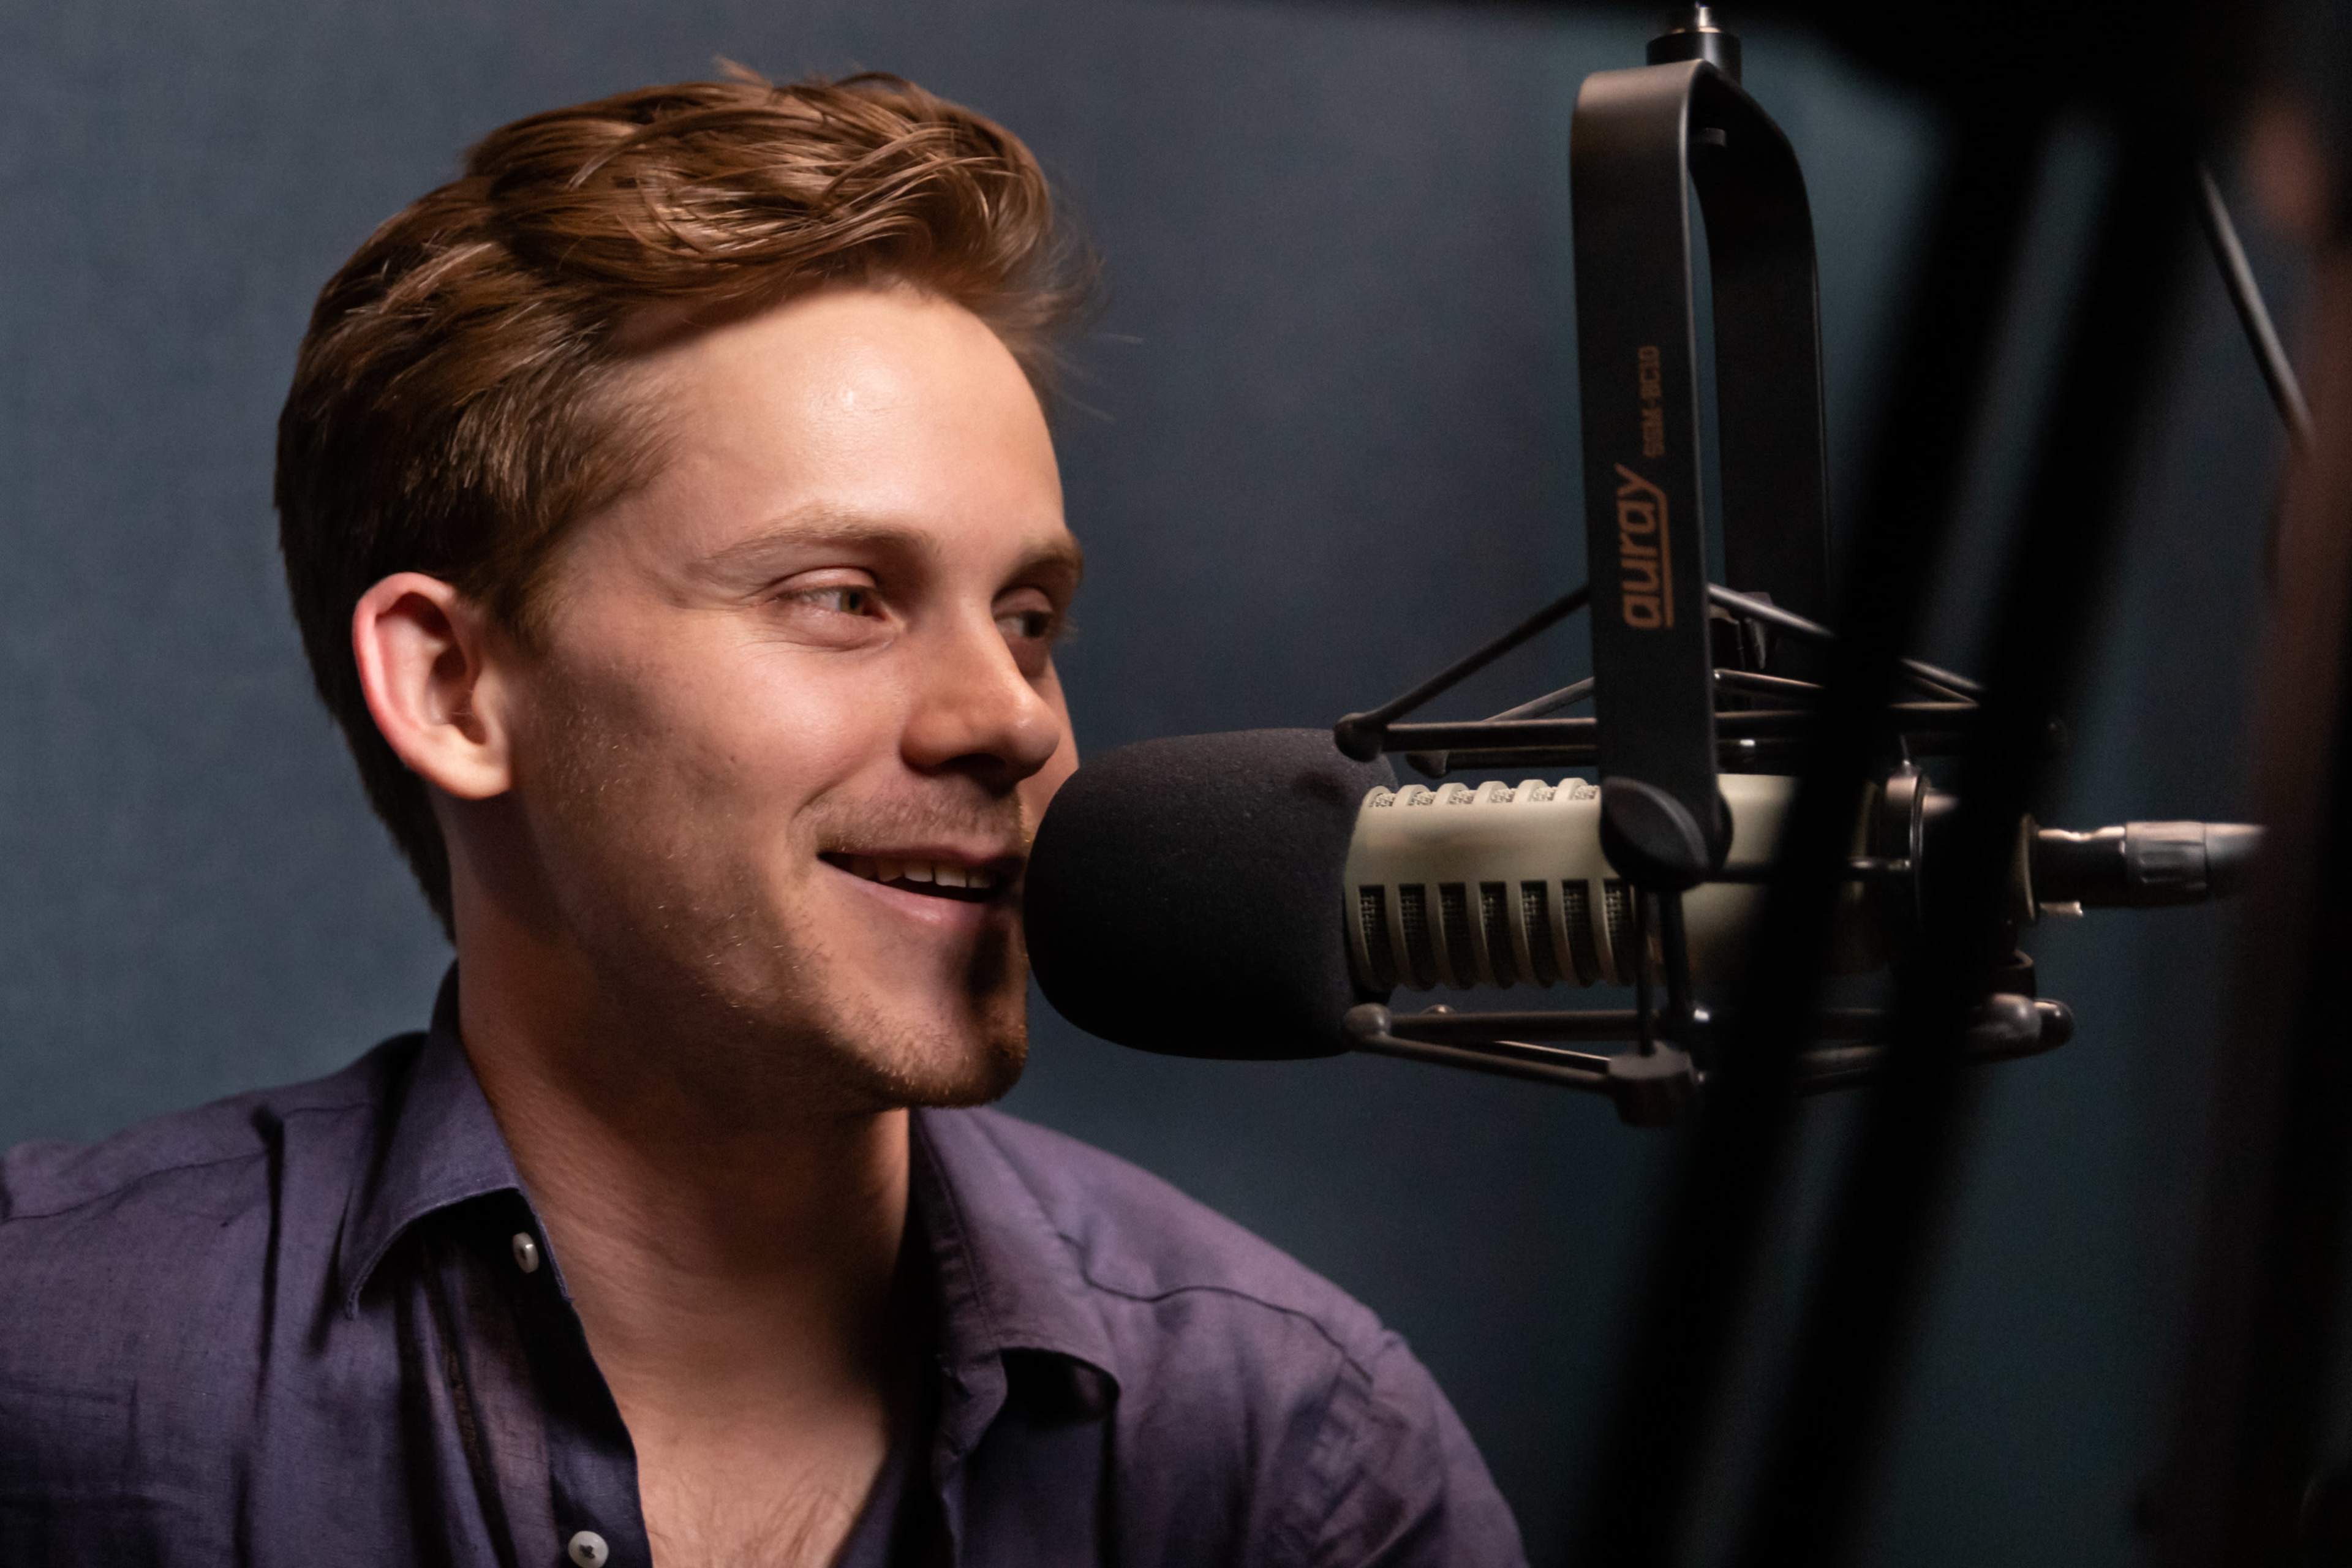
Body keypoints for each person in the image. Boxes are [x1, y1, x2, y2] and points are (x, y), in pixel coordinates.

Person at [0, 72, 1525, 1567]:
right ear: (455, 686)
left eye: (1028, 617)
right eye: (843, 597)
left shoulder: (1298, 1463)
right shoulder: (51, 1369)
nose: (1013, 717)